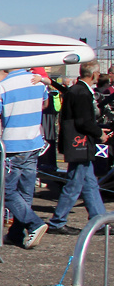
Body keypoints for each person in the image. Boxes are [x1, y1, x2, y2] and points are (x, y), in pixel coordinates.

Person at [0, 67, 49, 248]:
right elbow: (45, 104)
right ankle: (16, 233)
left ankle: (35, 223)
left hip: (13, 144)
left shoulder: (2, 86)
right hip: (34, 141)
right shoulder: (38, 81)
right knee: (25, 192)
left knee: (5, 189)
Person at [46, 61, 109, 235]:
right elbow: (82, 121)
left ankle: (99, 220)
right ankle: (57, 221)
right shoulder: (81, 92)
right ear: (94, 74)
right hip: (79, 143)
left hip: (78, 143)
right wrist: (99, 133)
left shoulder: (76, 90)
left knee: (90, 184)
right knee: (74, 184)